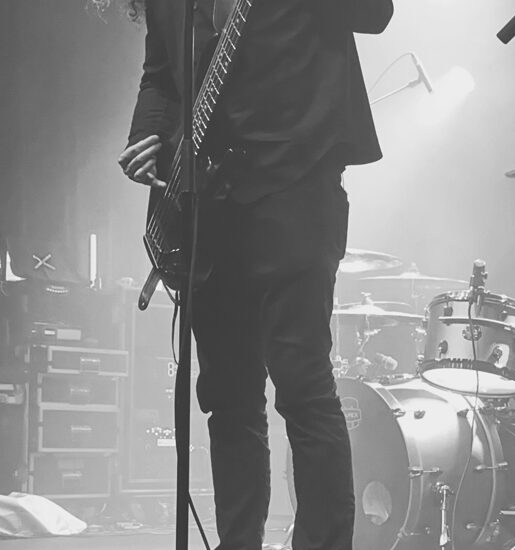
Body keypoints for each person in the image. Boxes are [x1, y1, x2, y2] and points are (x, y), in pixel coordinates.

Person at [118, 1, 393, 549]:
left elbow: (375, 12)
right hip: (208, 202)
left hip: (294, 181)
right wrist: (145, 136)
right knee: (228, 396)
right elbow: (161, 75)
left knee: (302, 384)